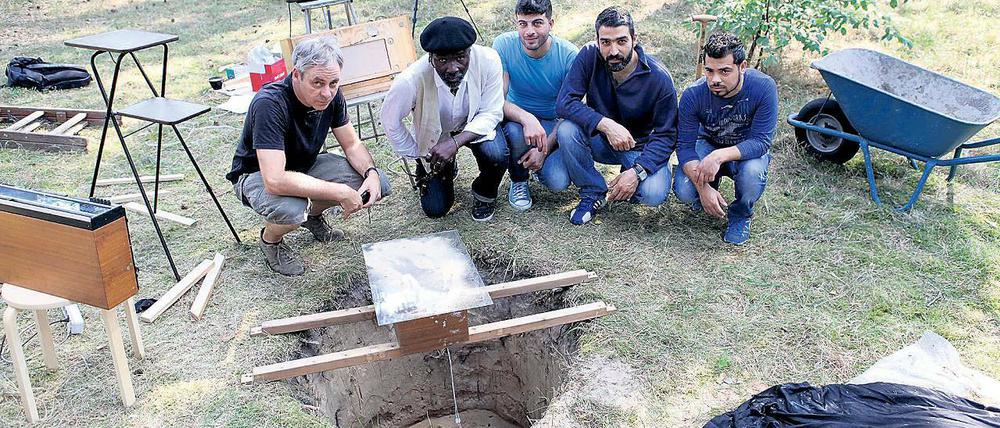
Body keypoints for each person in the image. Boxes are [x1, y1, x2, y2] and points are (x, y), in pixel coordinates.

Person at [226, 37, 390, 276]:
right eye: (318, 83)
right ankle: (270, 241)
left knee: (378, 184)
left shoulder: (333, 95)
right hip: (257, 175)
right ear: (296, 75)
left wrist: (371, 173)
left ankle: (311, 216)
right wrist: (340, 192)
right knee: (292, 210)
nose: (327, 93)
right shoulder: (269, 103)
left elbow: (352, 144)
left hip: (304, 167)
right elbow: (275, 180)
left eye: (333, 83)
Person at [556, 6, 678, 225]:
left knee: (654, 193)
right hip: (601, 140)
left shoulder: (659, 77)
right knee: (567, 129)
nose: (613, 51)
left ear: (634, 39)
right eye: (606, 42)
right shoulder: (588, 56)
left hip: (639, 147)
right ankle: (592, 191)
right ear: (597, 40)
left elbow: (667, 134)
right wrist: (605, 125)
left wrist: (637, 172)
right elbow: (565, 103)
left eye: (621, 41)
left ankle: (629, 177)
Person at [380, 16, 506, 221]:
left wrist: (455, 143)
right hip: (435, 134)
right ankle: (441, 166)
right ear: (431, 57)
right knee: (436, 209)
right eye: (443, 60)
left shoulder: (489, 60)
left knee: (496, 154)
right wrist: (420, 154)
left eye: (460, 57)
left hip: (473, 123)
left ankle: (484, 193)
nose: (453, 67)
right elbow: (390, 121)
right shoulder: (410, 80)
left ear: (470, 52)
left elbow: (492, 112)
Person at [672, 32, 778, 245]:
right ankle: (710, 189)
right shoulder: (693, 94)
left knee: (752, 174)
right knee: (684, 190)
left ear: (743, 66)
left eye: (725, 71)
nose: (715, 79)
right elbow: (684, 147)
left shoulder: (764, 87)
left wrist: (719, 156)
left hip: (745, 150)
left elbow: (761, 141)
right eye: (709, 71)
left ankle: (741, 214)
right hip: (707, 143)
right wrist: (703, 189)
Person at [491, 0, 577, 210]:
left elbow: (573, 110)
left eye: (537, 23)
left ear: (551, 23)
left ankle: (537, 163)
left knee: (559, 182)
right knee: (514, 129)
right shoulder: (503, 45)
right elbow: (496, 100)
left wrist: (545, 148)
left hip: (552, 122)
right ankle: (519, 180)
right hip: (517, 120)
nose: (529, 31)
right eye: (523, 24)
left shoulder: (568, 55)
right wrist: (526, 118)